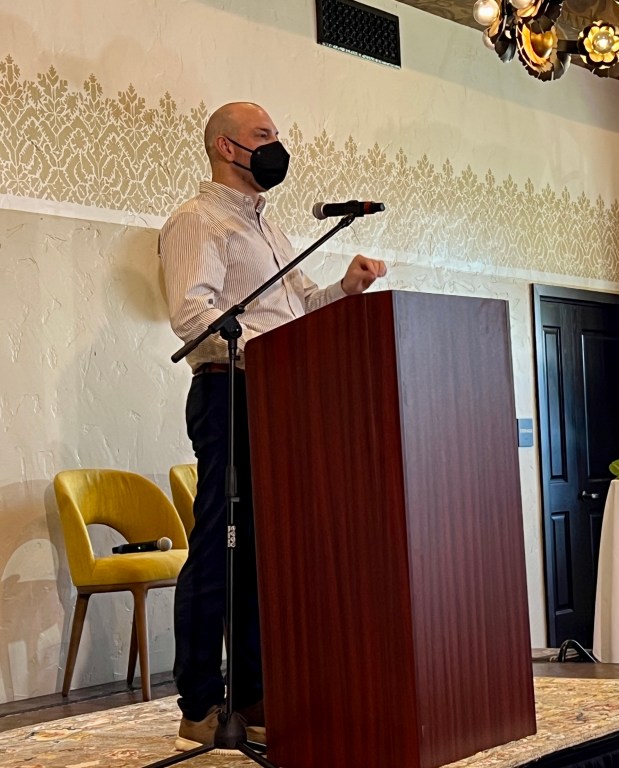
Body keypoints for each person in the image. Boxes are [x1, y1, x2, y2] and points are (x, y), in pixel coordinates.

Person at [158, 101, 386, 750]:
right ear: (228, 148)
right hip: (230, 392)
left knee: (266, 554)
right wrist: (261, 351)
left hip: (283, 398)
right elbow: (192, 313)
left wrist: (345, 286)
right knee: (219, 551)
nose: (276, 146)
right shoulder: (195, 223)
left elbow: (298, 305)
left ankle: (255, 694)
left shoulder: (272, 232)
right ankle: (199, 702)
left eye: (278, 137)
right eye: (265, 137)